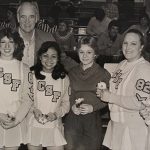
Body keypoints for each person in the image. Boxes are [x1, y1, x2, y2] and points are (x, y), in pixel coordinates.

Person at [96, 29, 150, 150]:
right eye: (125, 43)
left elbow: (140, 102)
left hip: (133, 129)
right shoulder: (122, 64)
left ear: (141, 47)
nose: (128, 47)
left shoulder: (144, 68)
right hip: (116, 125)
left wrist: (110, 97)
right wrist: (104, 92)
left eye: (133, 43)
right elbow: (118, 92)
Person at [64, 36, 111, 150]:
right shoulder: (72, 72)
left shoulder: (103, 73)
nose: (85, 56)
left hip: (92, 119)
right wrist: (72, 106)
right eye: (81, 52)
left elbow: (108, 98)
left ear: (95, 54)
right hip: (73, 118)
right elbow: (68, 94)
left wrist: (93, 107)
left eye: (89, 52)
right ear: (77, 53)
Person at [26, 41, 70, 150]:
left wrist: (55, 115)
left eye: (53, 56)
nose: (49, 60)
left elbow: (66, 104)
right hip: (33, 125)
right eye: (45, 56)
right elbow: (24, 99)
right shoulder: (30, 75)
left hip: (54, 126)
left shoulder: (64, 78)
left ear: (58, 58)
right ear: (40, 57)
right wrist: (34, 110)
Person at [0, 28, 33, 150]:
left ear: (16, 45)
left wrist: (16, 120)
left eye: (11, 42)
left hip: (13, 122)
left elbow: (28, 99)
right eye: (3, 42)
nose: (7, 46)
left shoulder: (24, 68)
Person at [17, 1, 55, 67]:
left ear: (36, 18)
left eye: (31, 17)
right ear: (18, 18)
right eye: (23, 17)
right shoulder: (6, 39)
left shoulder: (48, 38)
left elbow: (62, 59)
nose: (27, 21)